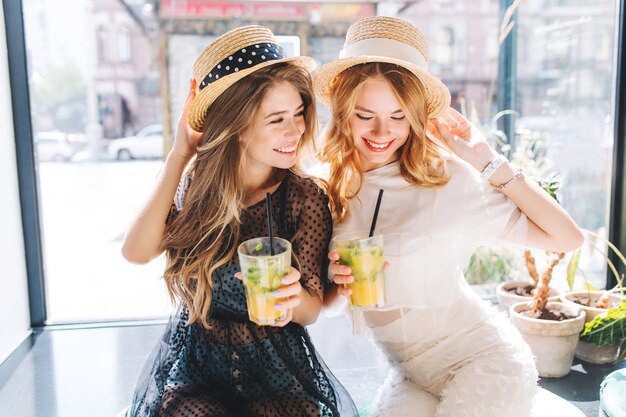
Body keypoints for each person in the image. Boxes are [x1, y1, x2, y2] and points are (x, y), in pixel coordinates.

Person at [314, 16, 584, 417]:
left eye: (398, 116)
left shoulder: (446, 179)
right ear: (342, 109)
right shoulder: (329, 185)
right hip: (410, 374)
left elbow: (567, 237)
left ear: (416, 115)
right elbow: (328, 305)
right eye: (364, 114)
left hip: (486, 363)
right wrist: (336, 285)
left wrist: (487, 161)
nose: (381, 131)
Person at [122, 25, 357, 417]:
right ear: (236, 126)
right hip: (200, 369)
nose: (295, 129)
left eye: (298, 113)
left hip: (277, 369)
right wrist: (180, 154)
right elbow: (136, 252)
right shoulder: (198, 184)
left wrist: (290, 299)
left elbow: (312, 308)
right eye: (276, 119)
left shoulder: (304, 197)